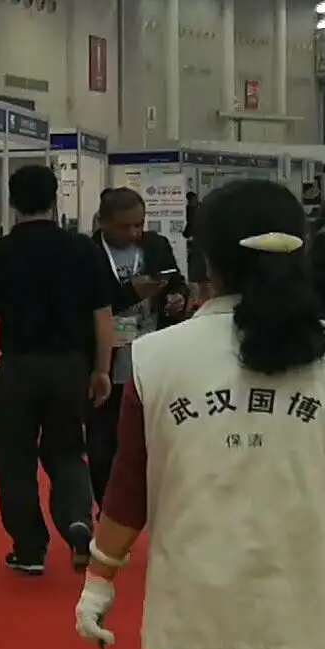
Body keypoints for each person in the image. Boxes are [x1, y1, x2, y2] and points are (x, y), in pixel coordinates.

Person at [75, 179, 325, 649]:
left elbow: (128, 486)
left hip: (201, 603)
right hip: (316, 596)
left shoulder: (158, 357)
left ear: (209, 259)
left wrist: (99, 579)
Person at [0, 164, 116, 575]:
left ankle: (29, 548)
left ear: (13, 201)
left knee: (14, 458)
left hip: (16, 367)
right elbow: (103, 316)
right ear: (55, 198)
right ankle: (77, 519)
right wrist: (101, 369)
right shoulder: (83, 250)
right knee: (67, 449)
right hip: (70, 366)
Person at [87, 187, 189, 506]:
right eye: (124, 226)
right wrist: (131, 293)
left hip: (152, 350)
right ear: (103, 222)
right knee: (103, 442)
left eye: (139, 224)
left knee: (155, 436)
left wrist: (178, 299)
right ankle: (107, 506)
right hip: (105, 358)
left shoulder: (155, 245)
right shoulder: (88, 253)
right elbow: (90, 304)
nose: (133, 232)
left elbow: (177, 282)